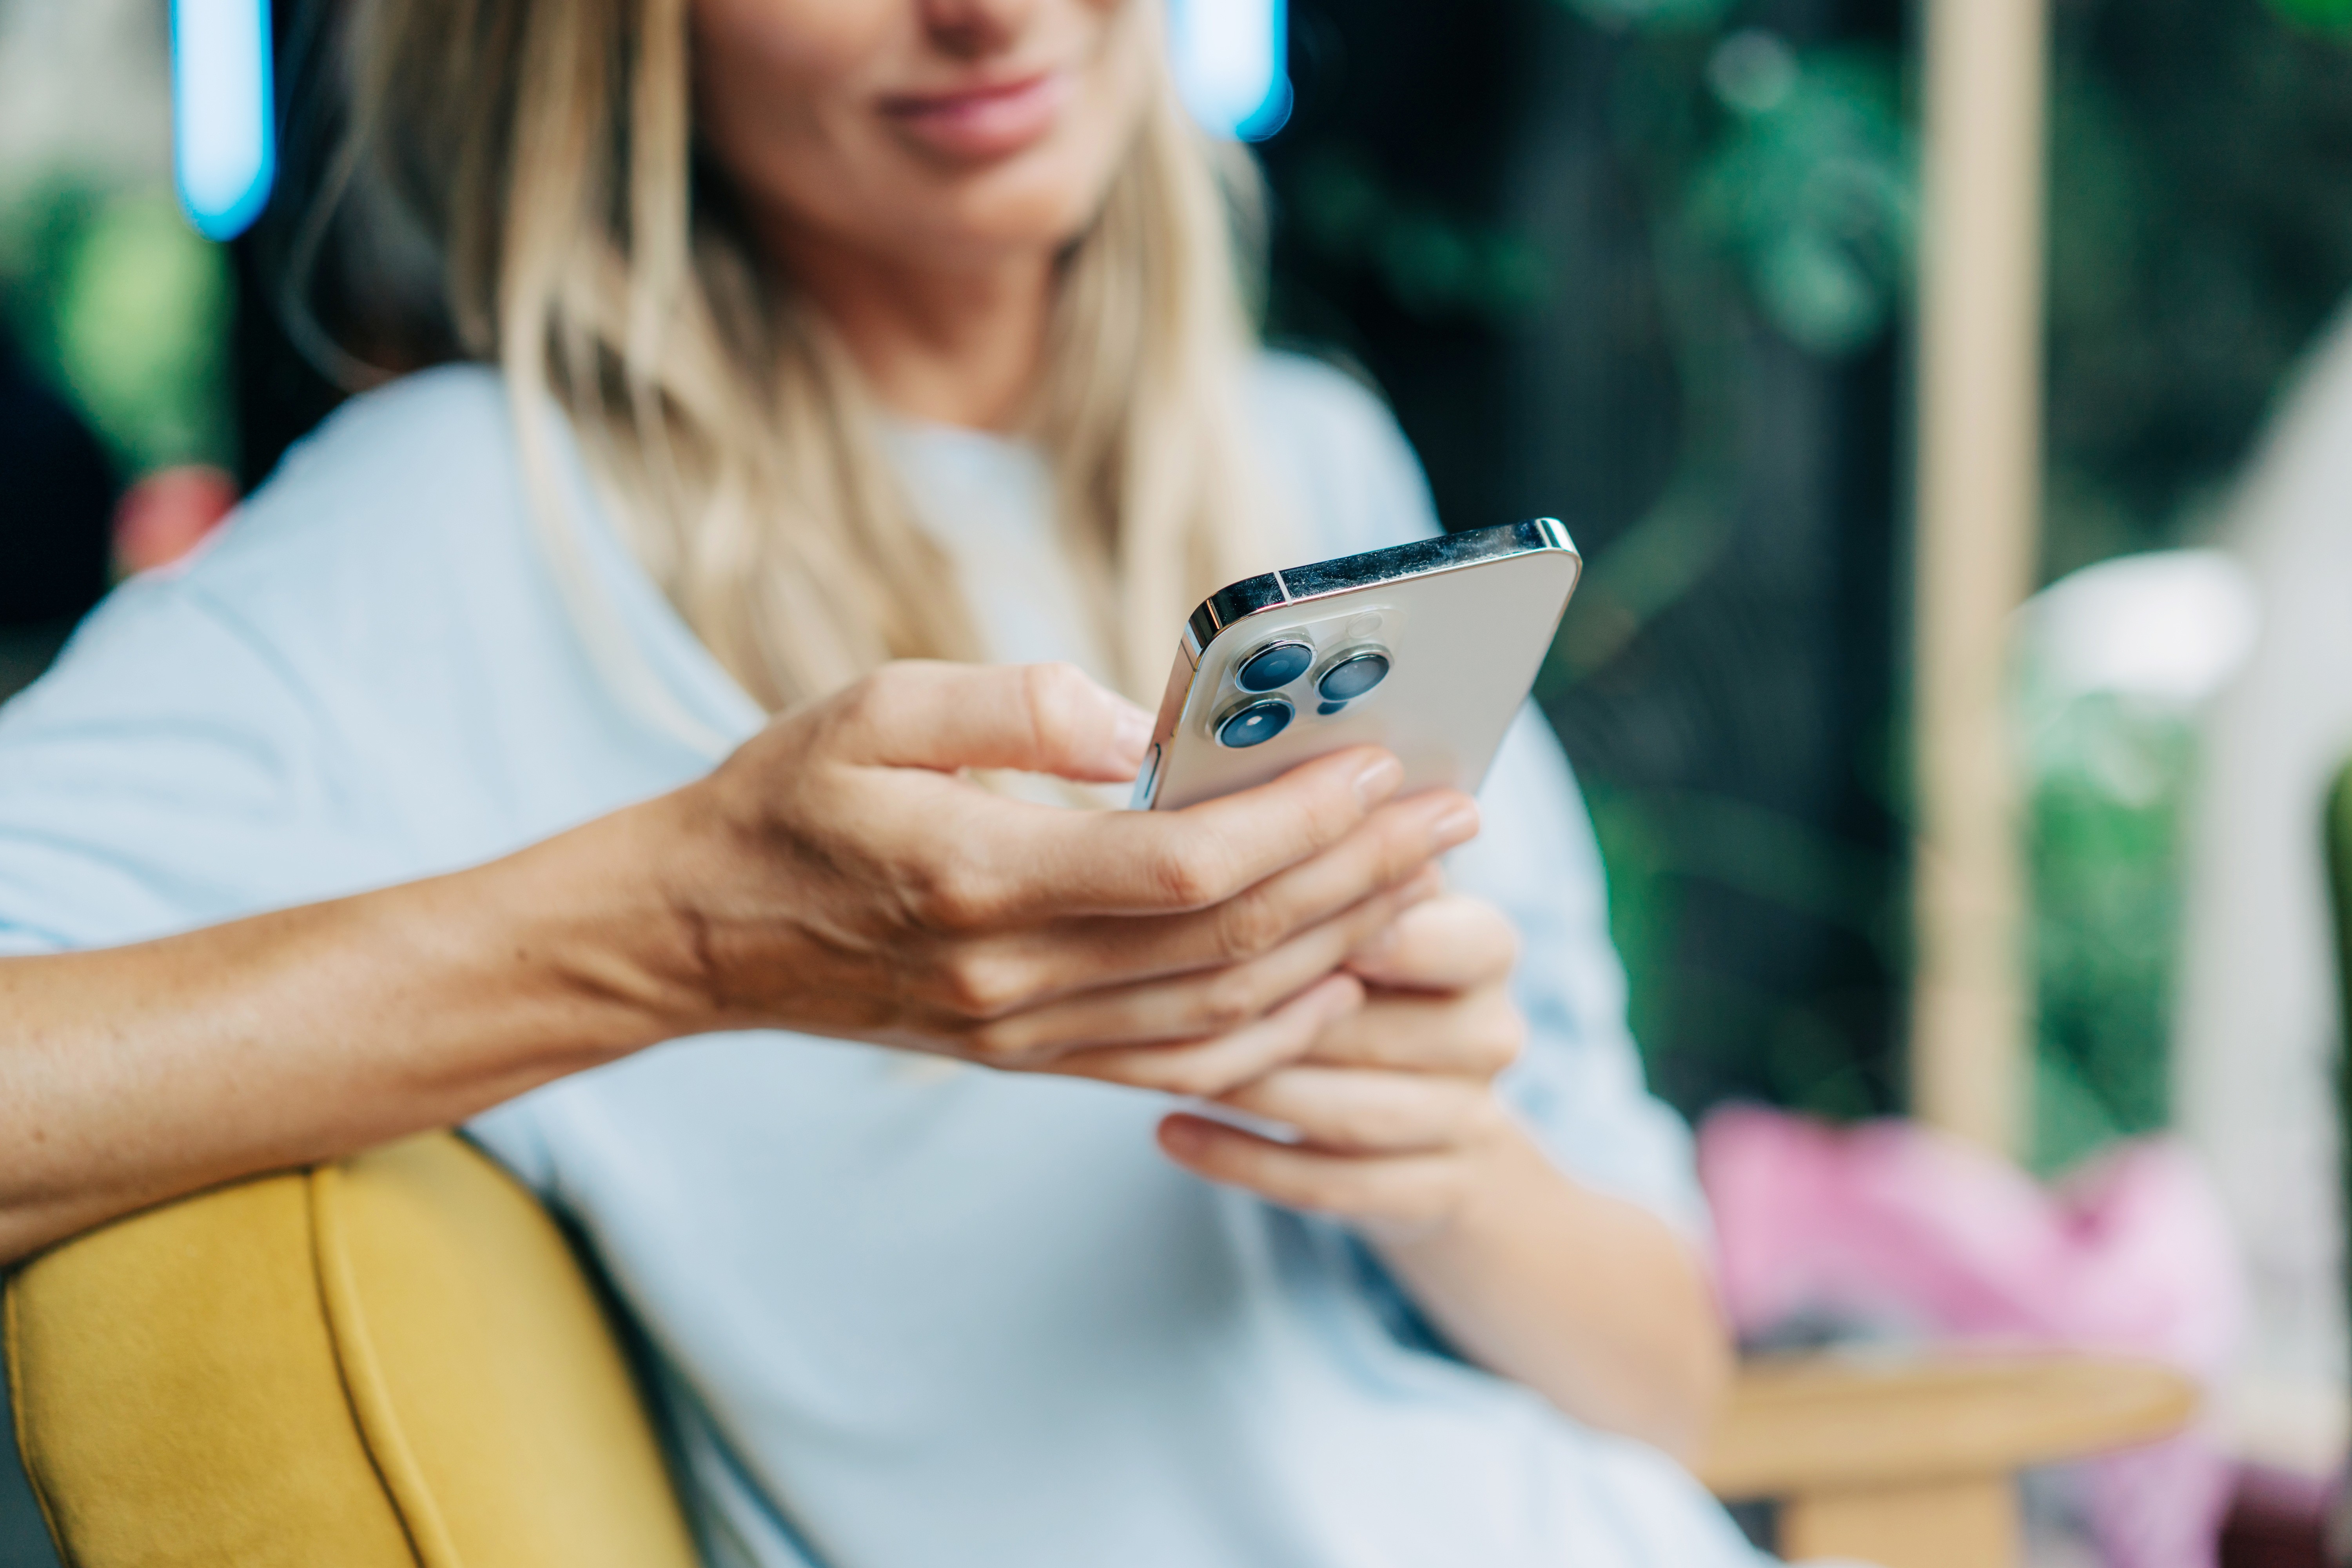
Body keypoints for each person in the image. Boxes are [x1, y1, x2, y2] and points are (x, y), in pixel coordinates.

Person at [0, 0, 1756, 1562]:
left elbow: (1668, 1386)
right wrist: (682, 939)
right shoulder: (466, 523)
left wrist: (1439, 1153)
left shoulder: (1306, 451)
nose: (990, 17)